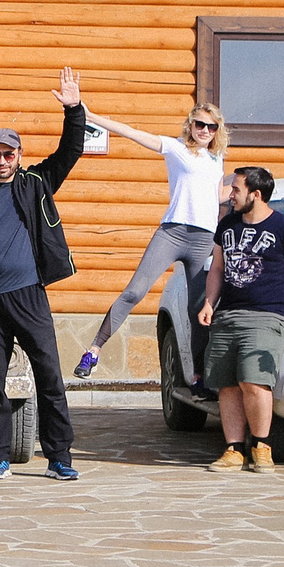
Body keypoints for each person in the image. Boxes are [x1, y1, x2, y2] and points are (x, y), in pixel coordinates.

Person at [0, 71, 87, 481]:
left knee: (49, 378)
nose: (3, 161)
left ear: (19, 156)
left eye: (9, 154)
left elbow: (71, 150)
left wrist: (74, 109)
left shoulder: (37, 183)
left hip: (29, 296)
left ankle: (59, 457)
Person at [74, 103, 224, 383]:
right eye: (200, 124)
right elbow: (132, 133)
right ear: (191, 125)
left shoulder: (217, 159)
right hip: (173, 233)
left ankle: (198, 377)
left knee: (198, 308)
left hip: (204, 238)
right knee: (135, 291)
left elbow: (217, 195)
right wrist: (93, 117)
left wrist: (255, 191)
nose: (205, 131)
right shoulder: (176, 148)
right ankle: (94, 350)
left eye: (211, 126)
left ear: (217, 130)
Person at [197, 165, 284, 473]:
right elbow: (218, 269)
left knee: (254, 379)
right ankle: (234, 449)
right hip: (228, 313)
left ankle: (261, 445)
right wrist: (210, 302)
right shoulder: (228, 225)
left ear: (256, 194)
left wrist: (283, 308)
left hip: (267, 315)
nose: (230, 195)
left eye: (235, 189)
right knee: (226, 382)